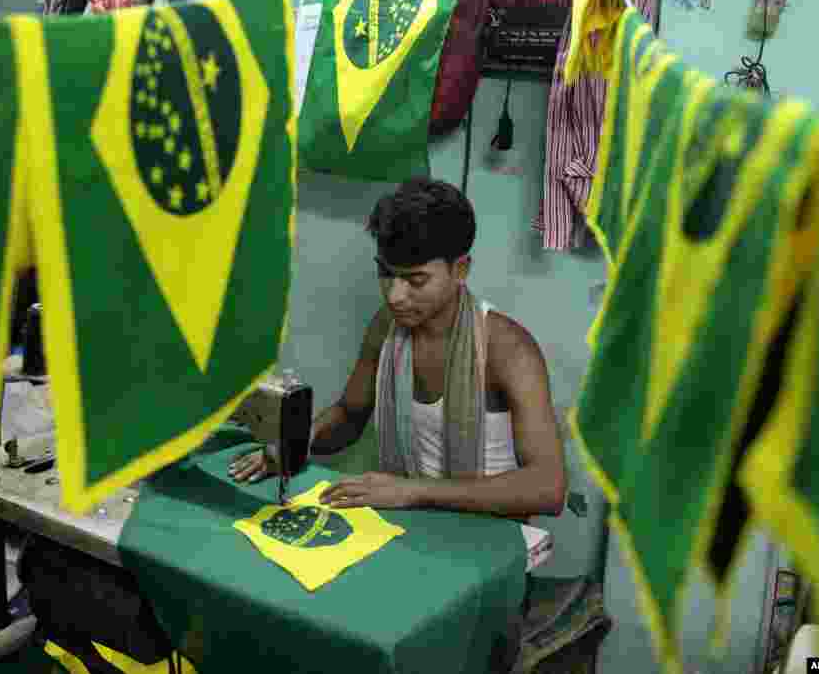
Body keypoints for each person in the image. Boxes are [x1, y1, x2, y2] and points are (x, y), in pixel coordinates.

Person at [229, 178, 566, 520]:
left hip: (489, 535)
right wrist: (295, 442)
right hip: (410, 523)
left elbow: (547, 488)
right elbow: (349, 414)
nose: (394, 296)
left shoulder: (508, 349)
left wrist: (411, 490)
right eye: (386, 274)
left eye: (416, 280)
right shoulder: (386, 327)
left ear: (460, 269)